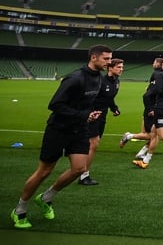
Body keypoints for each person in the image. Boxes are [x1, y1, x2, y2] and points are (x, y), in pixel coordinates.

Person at [10, 44, 112, 229]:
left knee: (79, 168)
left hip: (80, 129)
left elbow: (85, 102)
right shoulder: (75, 78)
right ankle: (19, 210)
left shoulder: (99, 78)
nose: (109, 62)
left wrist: (90, 114)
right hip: (59, 129)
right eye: (106, 58)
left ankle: (46, 198)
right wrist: (82, 115)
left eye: (110, 58)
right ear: (94, 57)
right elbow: (55, 104)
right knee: (44, 171)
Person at [79, 58, 124, 186]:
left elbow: (109, 98)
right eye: (119, 67)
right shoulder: (100, 81)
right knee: (93, 143)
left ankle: (81, 169)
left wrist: (114, 108)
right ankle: (83, 175)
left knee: (92, 144)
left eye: (122, 67)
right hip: (93, 114)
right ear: (110, 68)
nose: (121, 69)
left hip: (102, 116)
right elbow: (89, 98)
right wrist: (90, 113)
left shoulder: (116, 81)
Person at [120, 57, 161, 159]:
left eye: (154, 62)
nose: (153, 64)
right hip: (152, 110)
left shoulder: (157, 75)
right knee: (151, 135)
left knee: (154, 135)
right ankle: (129, 137)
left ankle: (141, 152)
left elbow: (150, 91)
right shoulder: (157, 74)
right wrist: (150, 109)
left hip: (154, 109)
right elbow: (147, 94)